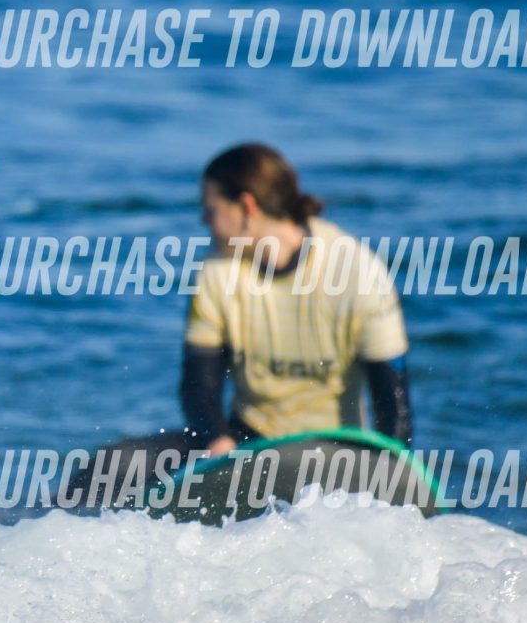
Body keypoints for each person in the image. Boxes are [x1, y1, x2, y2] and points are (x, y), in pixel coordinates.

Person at [68, 143, 413, 504]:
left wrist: (391, 478)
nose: (205, 221)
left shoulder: (357, 271)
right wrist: (217, 439)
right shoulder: (218, 271)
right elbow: (199, 383)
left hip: (333, 454)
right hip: (247, 444)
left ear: (247, 207)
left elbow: (394, 404)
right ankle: (39, 527)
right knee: (114, 464)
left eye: (211, 209)